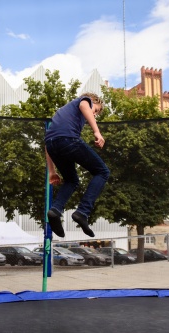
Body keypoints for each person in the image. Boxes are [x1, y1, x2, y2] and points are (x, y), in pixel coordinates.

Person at [45, 92, 109, 238]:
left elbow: (48, 143)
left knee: (71, 180)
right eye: (96, 111)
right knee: (102, 172)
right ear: (93, 101)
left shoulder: (61, 113)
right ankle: (82, 212)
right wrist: (97, 132)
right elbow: (84, 105)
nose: (95, 115)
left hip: (53, 145)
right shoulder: (83, 101)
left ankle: (55, 211)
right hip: (69, 141)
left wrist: (52, 171)